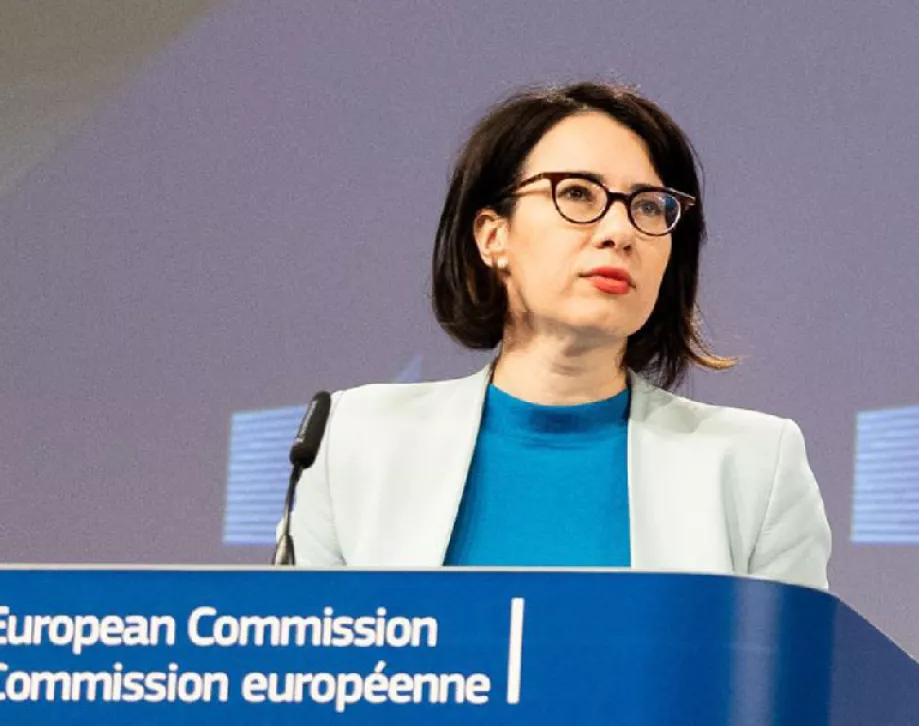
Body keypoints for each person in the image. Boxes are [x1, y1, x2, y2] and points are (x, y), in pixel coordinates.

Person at [286, 80, 832, 589]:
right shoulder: (351, 443)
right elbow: (304, 654)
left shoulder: (756, 465)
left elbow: (793, 661)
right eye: (577, 194)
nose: (619, 231)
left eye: (648, 206)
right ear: (493, 236)